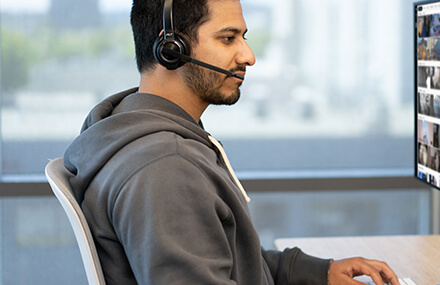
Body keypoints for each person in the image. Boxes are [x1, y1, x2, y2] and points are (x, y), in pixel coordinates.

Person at [63, 0, 400, 284]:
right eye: (228, 39)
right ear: (171, 48)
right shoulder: (166, 167)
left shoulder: (134, 128)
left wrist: (318, 272)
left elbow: (224, 256)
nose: (248, 56)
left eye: (243, 37)